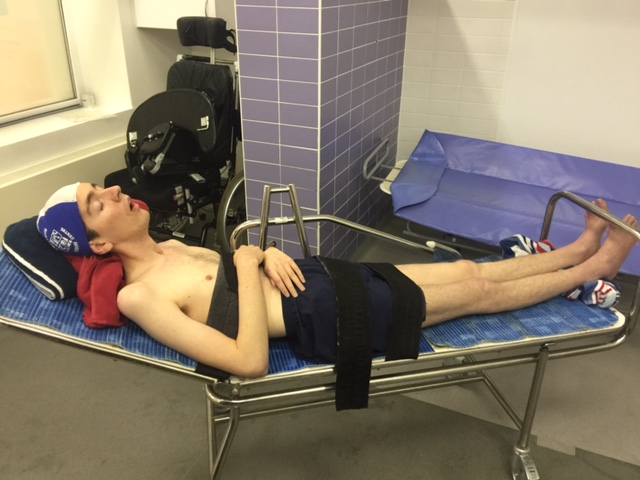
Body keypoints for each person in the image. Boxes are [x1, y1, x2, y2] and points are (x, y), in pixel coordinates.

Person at [36, 182, 638, 378]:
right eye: (96, 203)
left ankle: (579, 249)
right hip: (322, 316)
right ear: (98, 244)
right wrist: (247, 264)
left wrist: (260, 253)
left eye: (101, 187)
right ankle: (593, 269)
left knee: (462, 268)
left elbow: (238, 267)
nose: (115, 190)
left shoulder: (172, 245)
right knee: (476, 293)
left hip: (317, 276)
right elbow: (247, 361)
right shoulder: (138, 296)